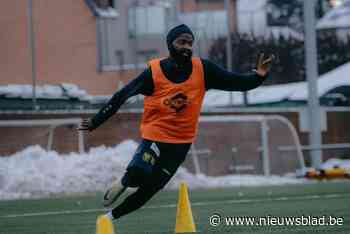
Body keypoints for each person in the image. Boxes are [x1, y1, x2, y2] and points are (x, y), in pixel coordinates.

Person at [78, 24, 274, 221]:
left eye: (190, 43)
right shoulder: (154, 72)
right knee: (138, 172)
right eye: (181, 42)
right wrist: (96, 121)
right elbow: (122, 95)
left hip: (181, 143)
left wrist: (259, 76)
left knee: (149, 189)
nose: (187, 47)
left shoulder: (204, 69)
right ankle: (125, 181)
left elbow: (235, 82)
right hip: (156, 136)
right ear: (170, 45)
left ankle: (108, 218)